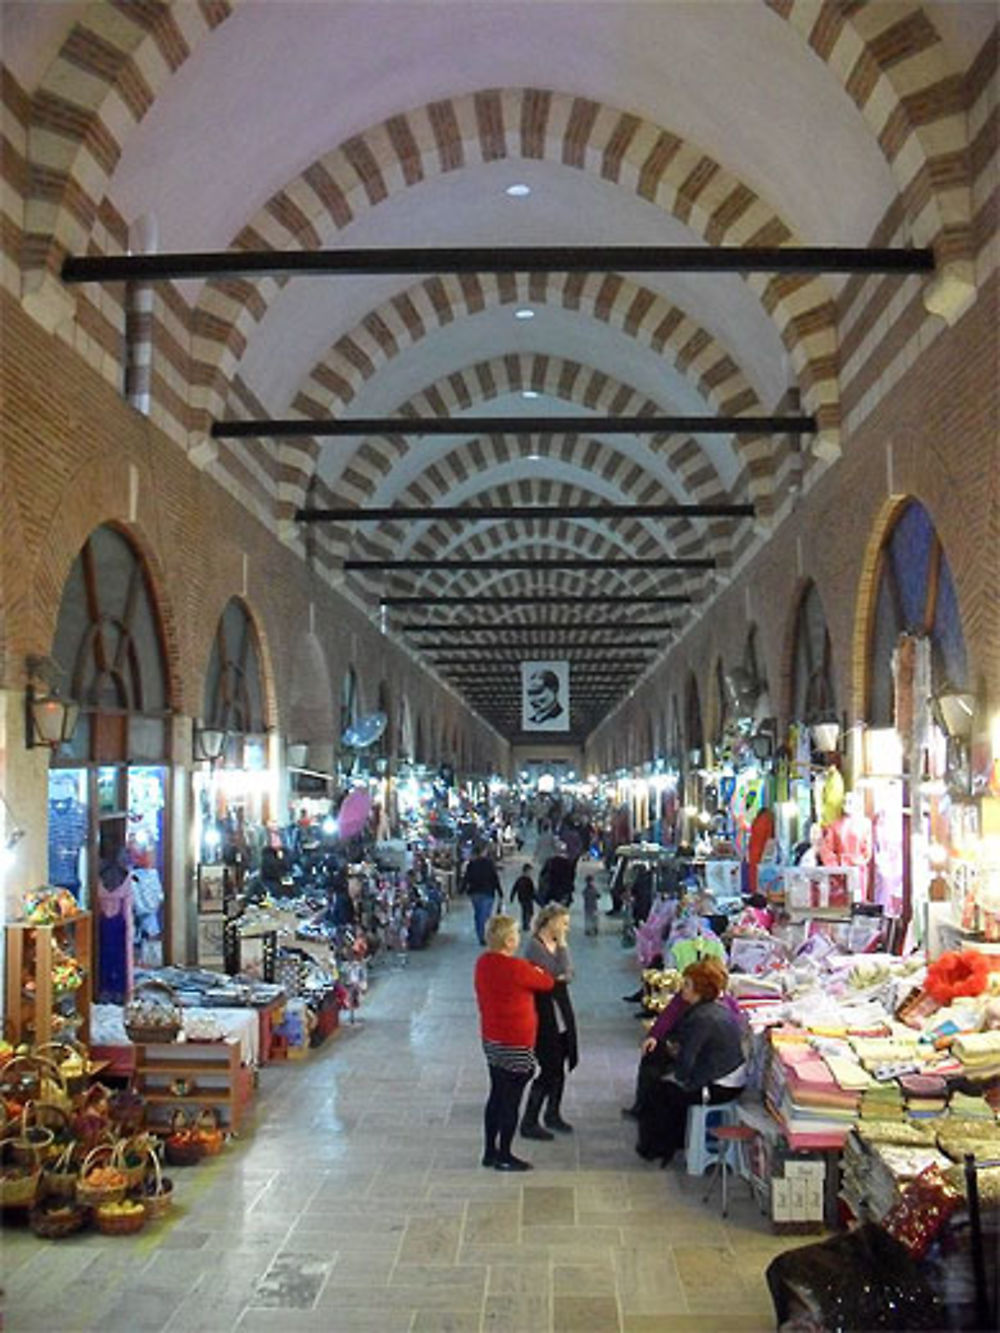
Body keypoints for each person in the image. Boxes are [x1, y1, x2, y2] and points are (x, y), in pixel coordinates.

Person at [634, 958, 746, 1165]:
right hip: (727, 1076)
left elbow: (686, 1065)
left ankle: (657, 1148)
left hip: (720, 1086)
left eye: (686, 985)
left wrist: (675, 1075)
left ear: (699, 990)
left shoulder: (702, 1018)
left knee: (658, 1094)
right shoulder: (716, 1009)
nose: (681, 989)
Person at [474, 913, 554, 1172]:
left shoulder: (483, 963)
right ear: (509, 941)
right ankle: (505, 1154)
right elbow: (547, 981)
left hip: (492, 1039)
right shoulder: (517, 968)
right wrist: (541, 967)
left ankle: (489, 1151)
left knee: (496, 1094)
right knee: (511, 1099)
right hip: (516, 1041)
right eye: (516, 935)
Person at [520, 904, 578, 1139]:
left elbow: (569, 973)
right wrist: (562, 949)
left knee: (559, 1067)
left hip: (561, 1012)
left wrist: (561, 971)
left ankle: (553, 1113)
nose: (567, 928)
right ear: (551, 922)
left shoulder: (559, 945)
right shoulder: (535, 947)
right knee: (549, 1068)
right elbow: (556, 972)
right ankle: (529, 1119)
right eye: (563, 923)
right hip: (544, 1014)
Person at [462, 843, 503, 945]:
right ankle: (484, 935)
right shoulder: (489, 863)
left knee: (478, 914)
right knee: (485, 915)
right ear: (483, 852)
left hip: (475, 893)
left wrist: (462, 889)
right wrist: (500, 892)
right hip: (488, 892)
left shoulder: (471, 864)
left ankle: (481, 935)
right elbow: (495, 878)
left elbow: (466, 878)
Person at [510, 862, 537, 931]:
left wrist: (512, 896)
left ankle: (526, 924)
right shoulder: (528, 880)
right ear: (527, 871)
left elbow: (514, 888)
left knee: (527, 911)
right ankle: (526, 925)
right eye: (530, 871)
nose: (531, 873)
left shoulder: (520, 879)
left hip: (522, 898)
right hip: (527, 898)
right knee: (528, 911)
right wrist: (537, 898)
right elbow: (532, 891)